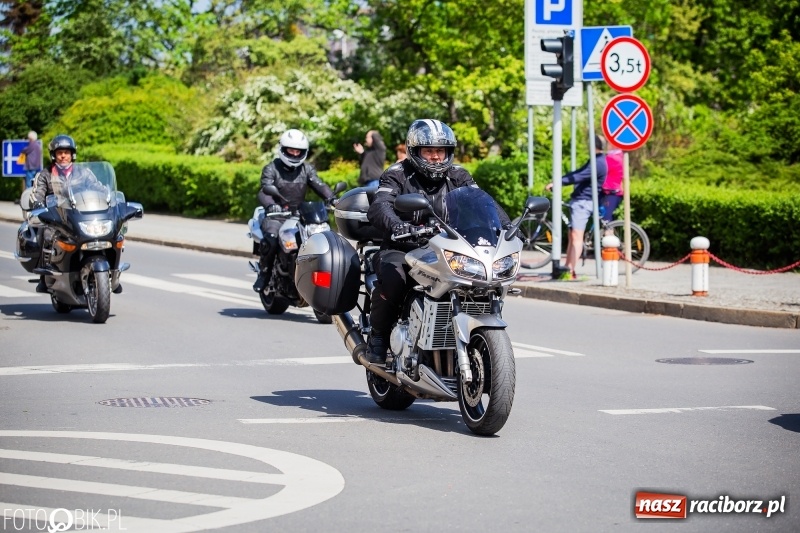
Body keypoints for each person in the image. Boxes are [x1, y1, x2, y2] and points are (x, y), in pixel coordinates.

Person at [364, 119, 509, 364]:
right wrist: (398, 226)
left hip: (446, 248)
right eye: (429, 150)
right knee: (395, 280)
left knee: (481, 283)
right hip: (403, 247)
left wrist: (508, 227)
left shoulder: (459, 175)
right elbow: (380, 206)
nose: (435, 157)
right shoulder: (397, 174)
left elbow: (483, 203)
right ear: (414, 151)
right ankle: (378, 336)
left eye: (440, 150)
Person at [254, 128, 335, 293]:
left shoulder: (307, 169)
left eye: (299, 151)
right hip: (276, 215)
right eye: (291, 150)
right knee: (271, 238)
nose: (295, 154)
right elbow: (264, 190)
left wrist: (333, 199)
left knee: (323, 238)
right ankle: (264, 273)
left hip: (299, 214)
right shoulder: (271, 168)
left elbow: (319, 184)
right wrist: (271, 205)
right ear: (283, 149)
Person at [31, 134, 108, 292]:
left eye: (66, 152)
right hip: (57, 218)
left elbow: (98, 187)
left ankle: (111, 271)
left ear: (72, 154)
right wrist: (38, 204)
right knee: (46, 234)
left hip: (79, 215)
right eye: (60, 153)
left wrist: (109, 196)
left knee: (104, 234)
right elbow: (37, 194)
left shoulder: (84, 173)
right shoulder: (45, 175)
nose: (63, 156)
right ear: (54, 155)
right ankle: (45, 276)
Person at [544, 135, 608, 280]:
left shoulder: (598, 163)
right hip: (581, 202)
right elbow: (578, 173)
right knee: (572, 236)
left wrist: (558, 182)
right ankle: (567, 267)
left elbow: (579, 176)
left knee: (576, 237)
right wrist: (559, 180)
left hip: (584, 203)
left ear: (594, 146)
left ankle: (571, 270)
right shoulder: (596, 160)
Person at [600, 143, 624, 222]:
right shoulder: (620, 155)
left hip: (611, 192)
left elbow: (599, 169)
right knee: (607, 218)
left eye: (609, 143)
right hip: (614, 192)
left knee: (606, 220)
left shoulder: (612, 158)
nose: (607, 145)